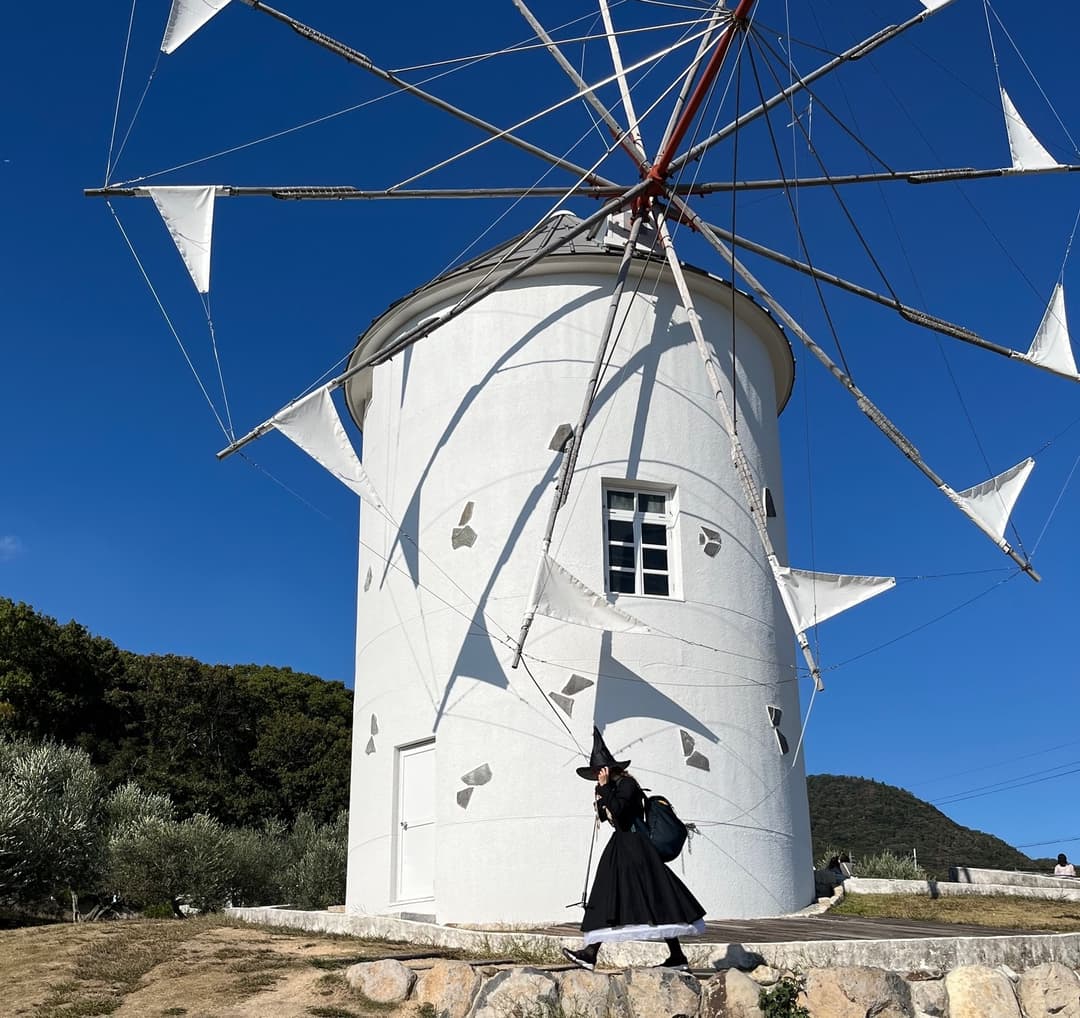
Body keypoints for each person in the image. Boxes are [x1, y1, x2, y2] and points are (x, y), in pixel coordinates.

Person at [562, 727, 706, 973]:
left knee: (651, 897)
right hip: (623, 847)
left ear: (609, 769)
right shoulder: (615, 788)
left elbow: (619, 812)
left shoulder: (627, 785)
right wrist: (600, 798)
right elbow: (609, 818)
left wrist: (606, 790)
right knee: (611, 896)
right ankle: (593, 953)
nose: (597, 775)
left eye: (599, 771)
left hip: (635, 848)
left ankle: (593, 954)